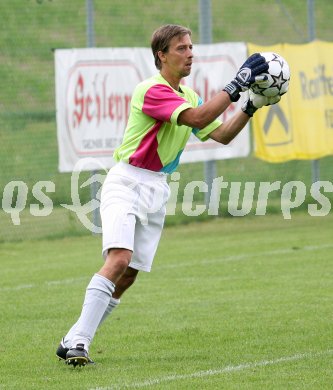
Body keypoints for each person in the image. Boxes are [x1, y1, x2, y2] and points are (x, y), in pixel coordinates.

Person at [56, 24, 279, 367]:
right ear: (161, 55)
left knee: (128, 274)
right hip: (127, 182)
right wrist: (237, 84)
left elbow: (220, 134)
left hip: (157, 187)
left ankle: (73, 338)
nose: (190, 53)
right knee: (118, 258)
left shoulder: (188, 95)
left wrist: (250, 105)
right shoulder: (151, 89)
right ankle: (80, 343)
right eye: (181, 48)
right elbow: (199, 117)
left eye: (191, 47)